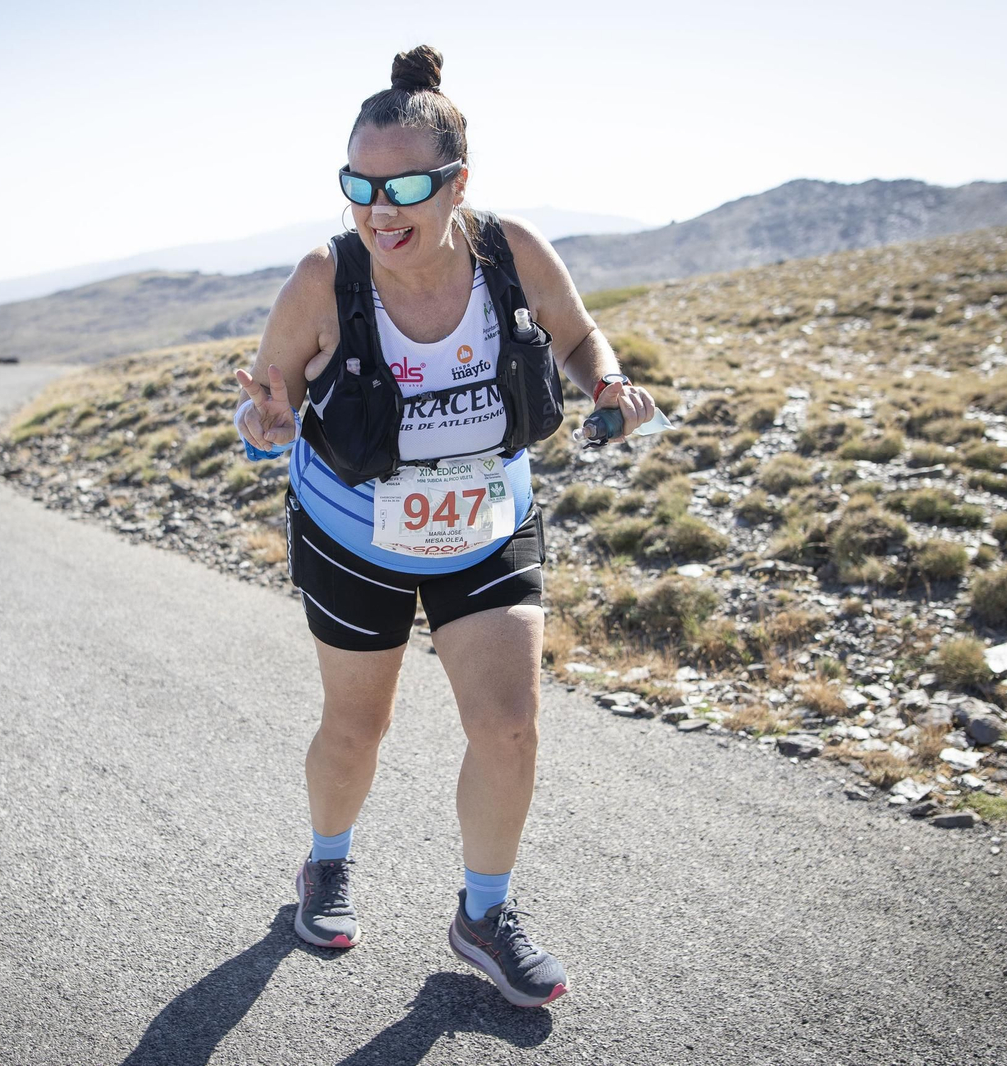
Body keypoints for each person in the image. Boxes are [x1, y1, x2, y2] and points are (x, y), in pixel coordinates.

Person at [232, 46, 656, 1009]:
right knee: (357, 726)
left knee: (508, 727)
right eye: (359, 186)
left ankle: (484, 914)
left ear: (459, 181)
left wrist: (610, 382)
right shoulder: (324, 278)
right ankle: (327, 864)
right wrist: (260, 424)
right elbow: (270, 405)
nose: (379, 210)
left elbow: (583, 337)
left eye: (406, 186)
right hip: (355, 535)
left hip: (487, 526)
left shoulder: (510, 251)